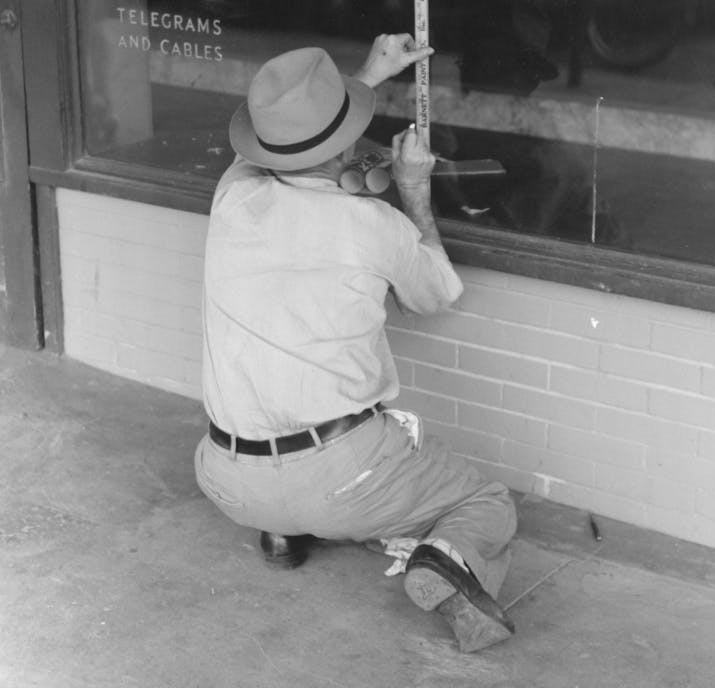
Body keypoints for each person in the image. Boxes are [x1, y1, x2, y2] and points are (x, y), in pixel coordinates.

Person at [194, 33, 517, 653]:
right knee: (486, 500)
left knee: (281, 443)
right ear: (348, 146)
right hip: (341, 478)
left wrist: (369, 74)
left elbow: (292, 150)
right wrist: (413, 190)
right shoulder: (374, 224)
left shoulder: (232, 195)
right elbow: (436, 295)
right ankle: (445, 560)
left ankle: (281, 529)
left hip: (226, 480)